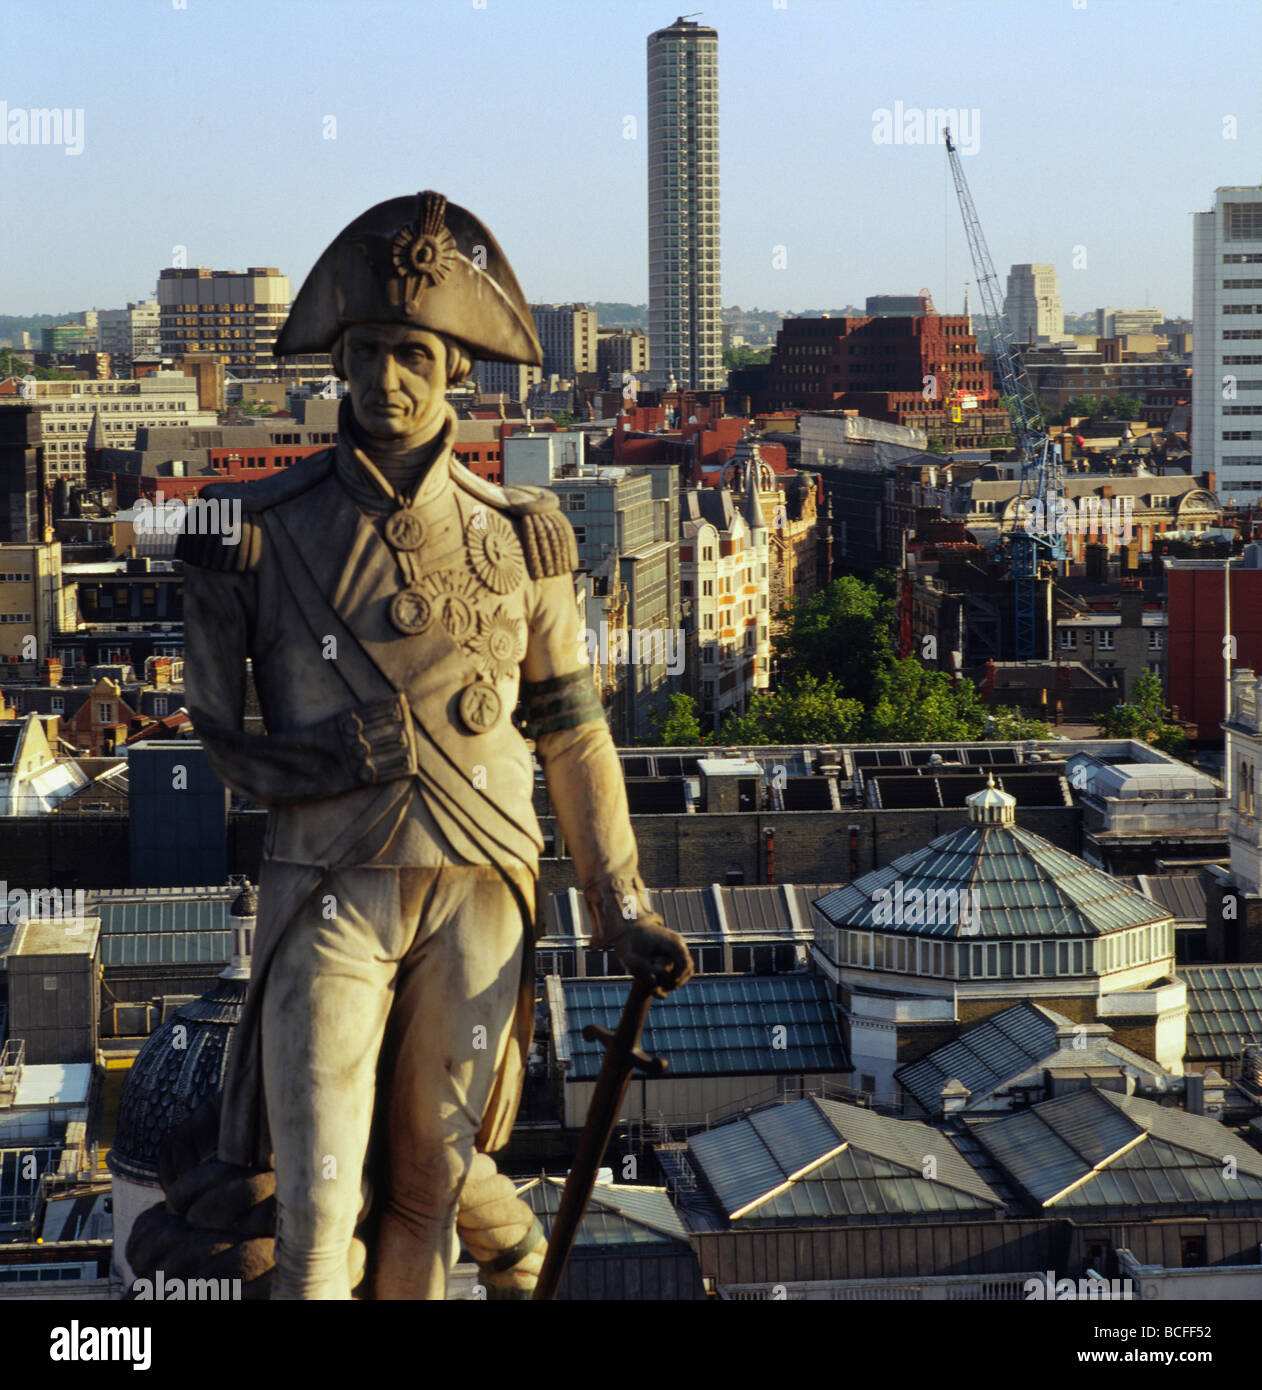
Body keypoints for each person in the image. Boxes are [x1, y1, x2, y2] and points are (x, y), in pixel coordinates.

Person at [177, 191, 693, 1299]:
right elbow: (223, 744)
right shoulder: (256, 531)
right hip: (329, 881)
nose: (383, 379)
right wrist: (333, 762)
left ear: (454, 368)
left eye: (410, 353)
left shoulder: (525, 538)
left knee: (428, 1187)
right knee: (317, 1212)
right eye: (363, 353)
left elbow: (573, 732)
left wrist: (620, 904)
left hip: (481, 885)